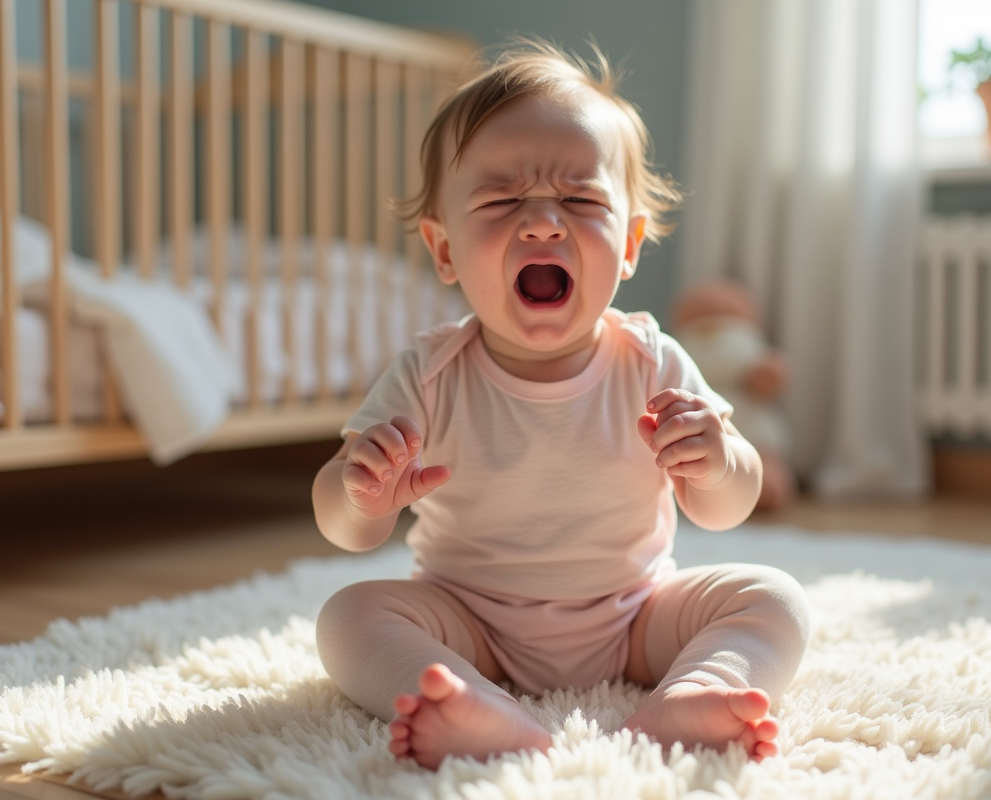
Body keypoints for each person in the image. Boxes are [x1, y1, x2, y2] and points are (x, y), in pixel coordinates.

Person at [312, 39, 810, 771]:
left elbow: (725, 508)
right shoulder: (428, 371)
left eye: (580, 200)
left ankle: (697, 691)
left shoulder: (653, 360)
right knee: (348, 618)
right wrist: (360, 492)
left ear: (631, 241)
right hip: (469, 619)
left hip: (635, 618)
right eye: (501, 200)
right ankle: (471, 700)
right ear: (444, 250)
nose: (543, 223)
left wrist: (717, 462)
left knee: (775, 599)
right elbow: (346, 527)